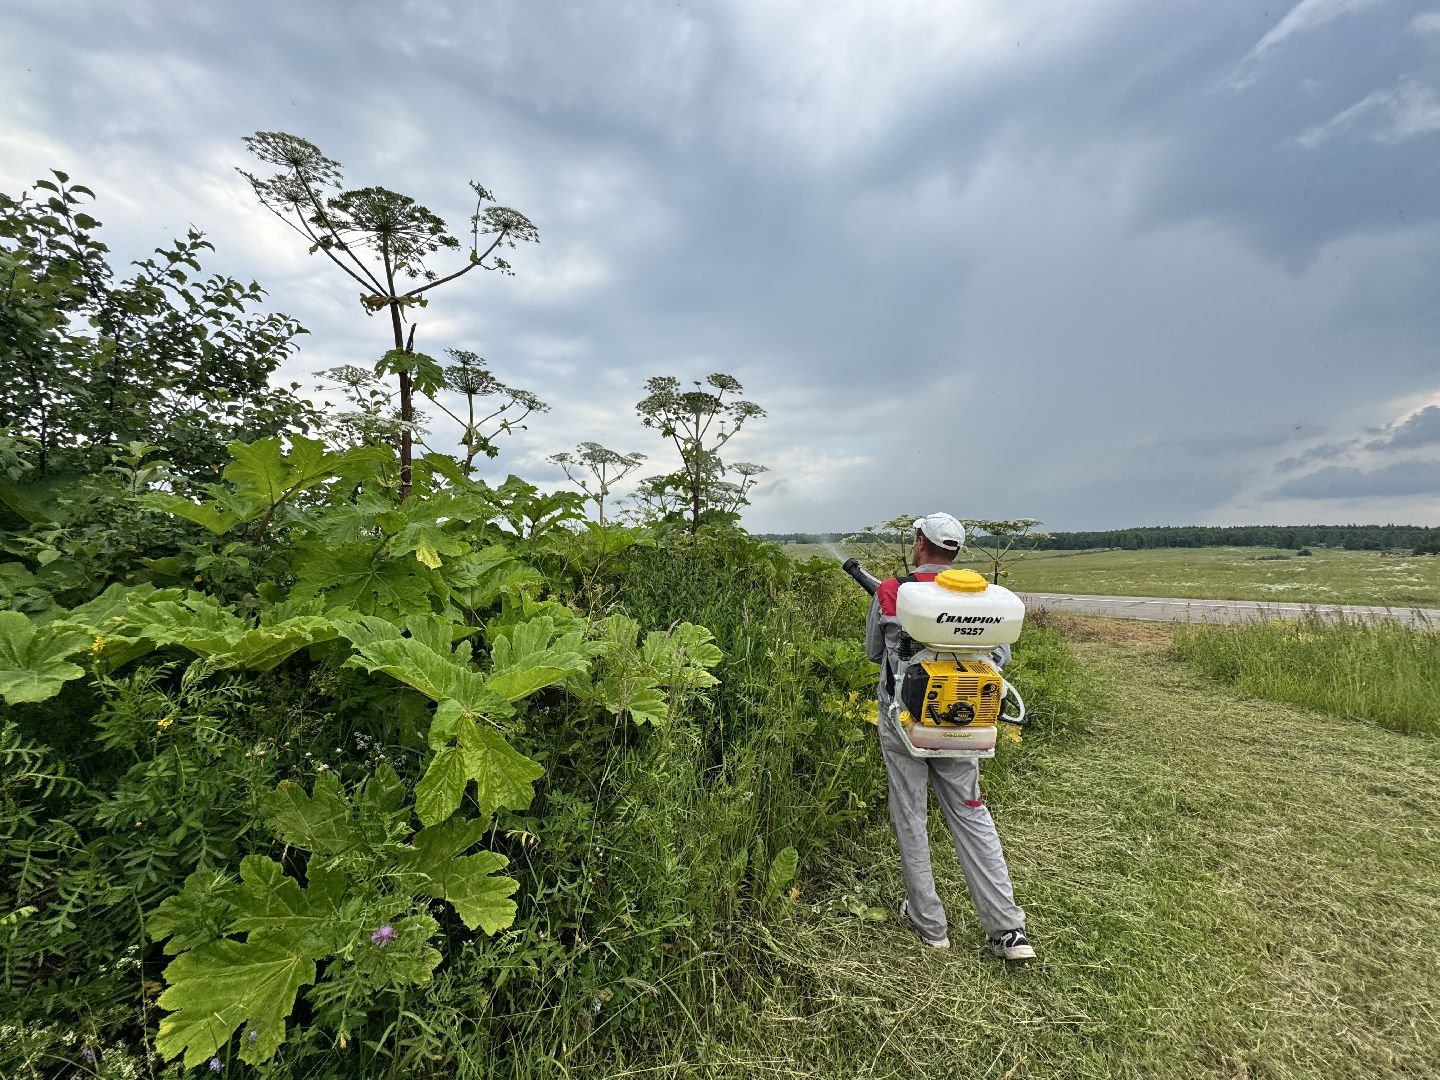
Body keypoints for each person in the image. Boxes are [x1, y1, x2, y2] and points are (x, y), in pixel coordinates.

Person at [863, 513, 1034, 960]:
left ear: (920, 541)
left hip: (905, 721)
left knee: (911, 815)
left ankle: (929, 924)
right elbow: (1000, 655)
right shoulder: (985, 596)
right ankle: (1007, 929)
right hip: (966, 723)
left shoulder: (894, 590)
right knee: (972, 814)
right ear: (956, 550)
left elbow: (874, 653)